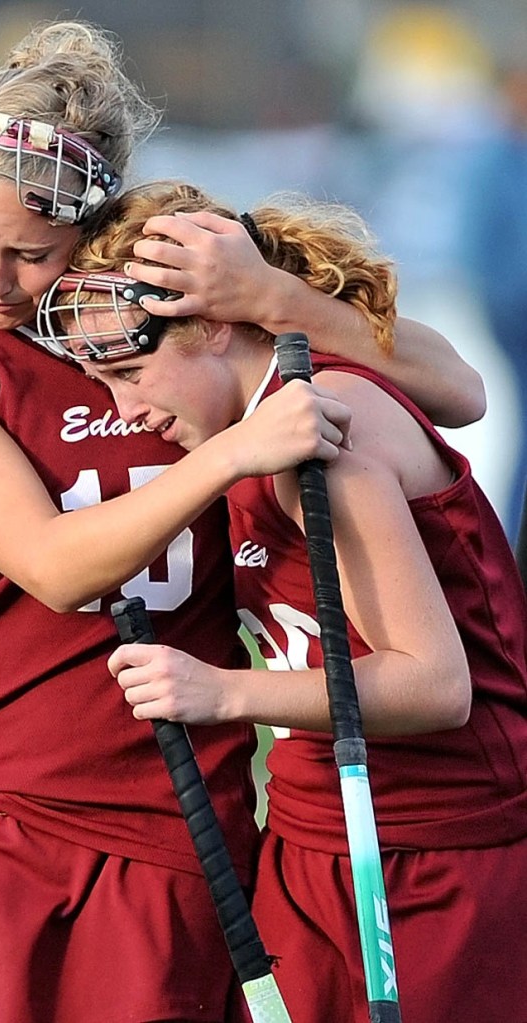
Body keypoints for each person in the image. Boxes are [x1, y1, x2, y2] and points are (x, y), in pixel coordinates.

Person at [0, 18, 486, 1023]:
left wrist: (276, 297)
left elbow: (453, 390)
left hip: (180, 815)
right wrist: (234, 452)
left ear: (90, 224)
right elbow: (57, 569)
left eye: (29, 253)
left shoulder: (160, 316)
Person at [45, 179, 527, 1023]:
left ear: (212, 323)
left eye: (130, 371)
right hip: (315, 831)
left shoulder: (321, 427)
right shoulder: (244, 431)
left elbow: (433, 686)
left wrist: (223, 692)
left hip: (441, 847)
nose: (125, 410)